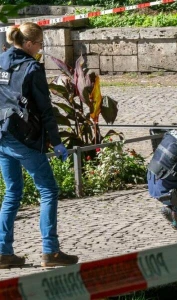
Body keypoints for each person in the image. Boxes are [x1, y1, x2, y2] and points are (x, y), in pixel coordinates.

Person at [0, 22, 78, 268]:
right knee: (48, 190)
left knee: (12, 192)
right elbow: (45, 110)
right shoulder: (32, 68)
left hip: (1, 134)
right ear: (30, 44)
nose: (40, 49)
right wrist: (57, 142)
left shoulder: (0, 60)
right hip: (23, 138)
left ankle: (3, 252)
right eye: (40, 44)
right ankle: (50, 251)